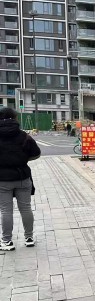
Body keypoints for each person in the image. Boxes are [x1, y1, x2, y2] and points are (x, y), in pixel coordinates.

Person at [0, 107, 41, 251]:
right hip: (22, 176)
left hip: (2, 180)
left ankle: (7, 241)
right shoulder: (23, 135)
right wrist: (23, 160)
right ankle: (29, 238)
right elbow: (36, 153)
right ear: (15, 118)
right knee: (25, 208)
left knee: (6, 210)